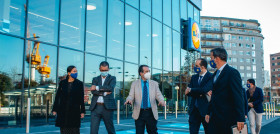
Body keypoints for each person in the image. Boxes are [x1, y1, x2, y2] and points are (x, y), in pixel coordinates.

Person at [205, 48, 245, 133]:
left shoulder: (232, 73)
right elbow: (214, 95)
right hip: (215, 117)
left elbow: (238, 96)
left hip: (227, 118)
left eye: (211, 57)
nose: (210, 60)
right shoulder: (215, 74)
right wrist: (208, 112)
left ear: (217, 58)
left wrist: (240, 118)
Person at [125, 65, 165, 134]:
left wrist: (161, 100)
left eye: (149, 71)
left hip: (151, 113)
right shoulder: (134, 84)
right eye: (146, 71)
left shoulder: (154, 84)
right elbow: (131, 96)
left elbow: (159, 95)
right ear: (141, 73)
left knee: (152, 132)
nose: (148, 73)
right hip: (139, 113)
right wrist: (129, 100)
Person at [52, 65, 85, 134]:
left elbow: (81, 98)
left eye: (76, 71)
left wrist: (82, 111)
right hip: (63, 110)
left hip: (74, 111)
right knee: (64, 130)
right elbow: (58, 97)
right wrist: (55, 109)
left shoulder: (79, 83)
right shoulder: (62, 83)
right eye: (74, 71)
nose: (76, 73)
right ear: (69, 73)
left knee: (74, 130)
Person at [185, 58, 213, 134]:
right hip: (194, 110)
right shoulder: (194, 77)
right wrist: (196, 91)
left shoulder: (211, 76)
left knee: (208, 131)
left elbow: (204, 89)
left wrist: (191, 89)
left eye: (196, 65)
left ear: (203, 66)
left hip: (206, 111)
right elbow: (188, 93)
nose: (194, 67)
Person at [89, 61, 117, 134]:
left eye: (105, 70)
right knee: (93, 131)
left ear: (108, 69)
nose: (104, 72)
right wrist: (104, 93)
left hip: (107, 108)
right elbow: (93, 91)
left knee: (110, 130)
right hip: (96, 107)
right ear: (99, 69)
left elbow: (110, 88)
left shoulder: (112, 78)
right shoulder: (95, 79)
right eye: (102, 70)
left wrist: (97, 87)